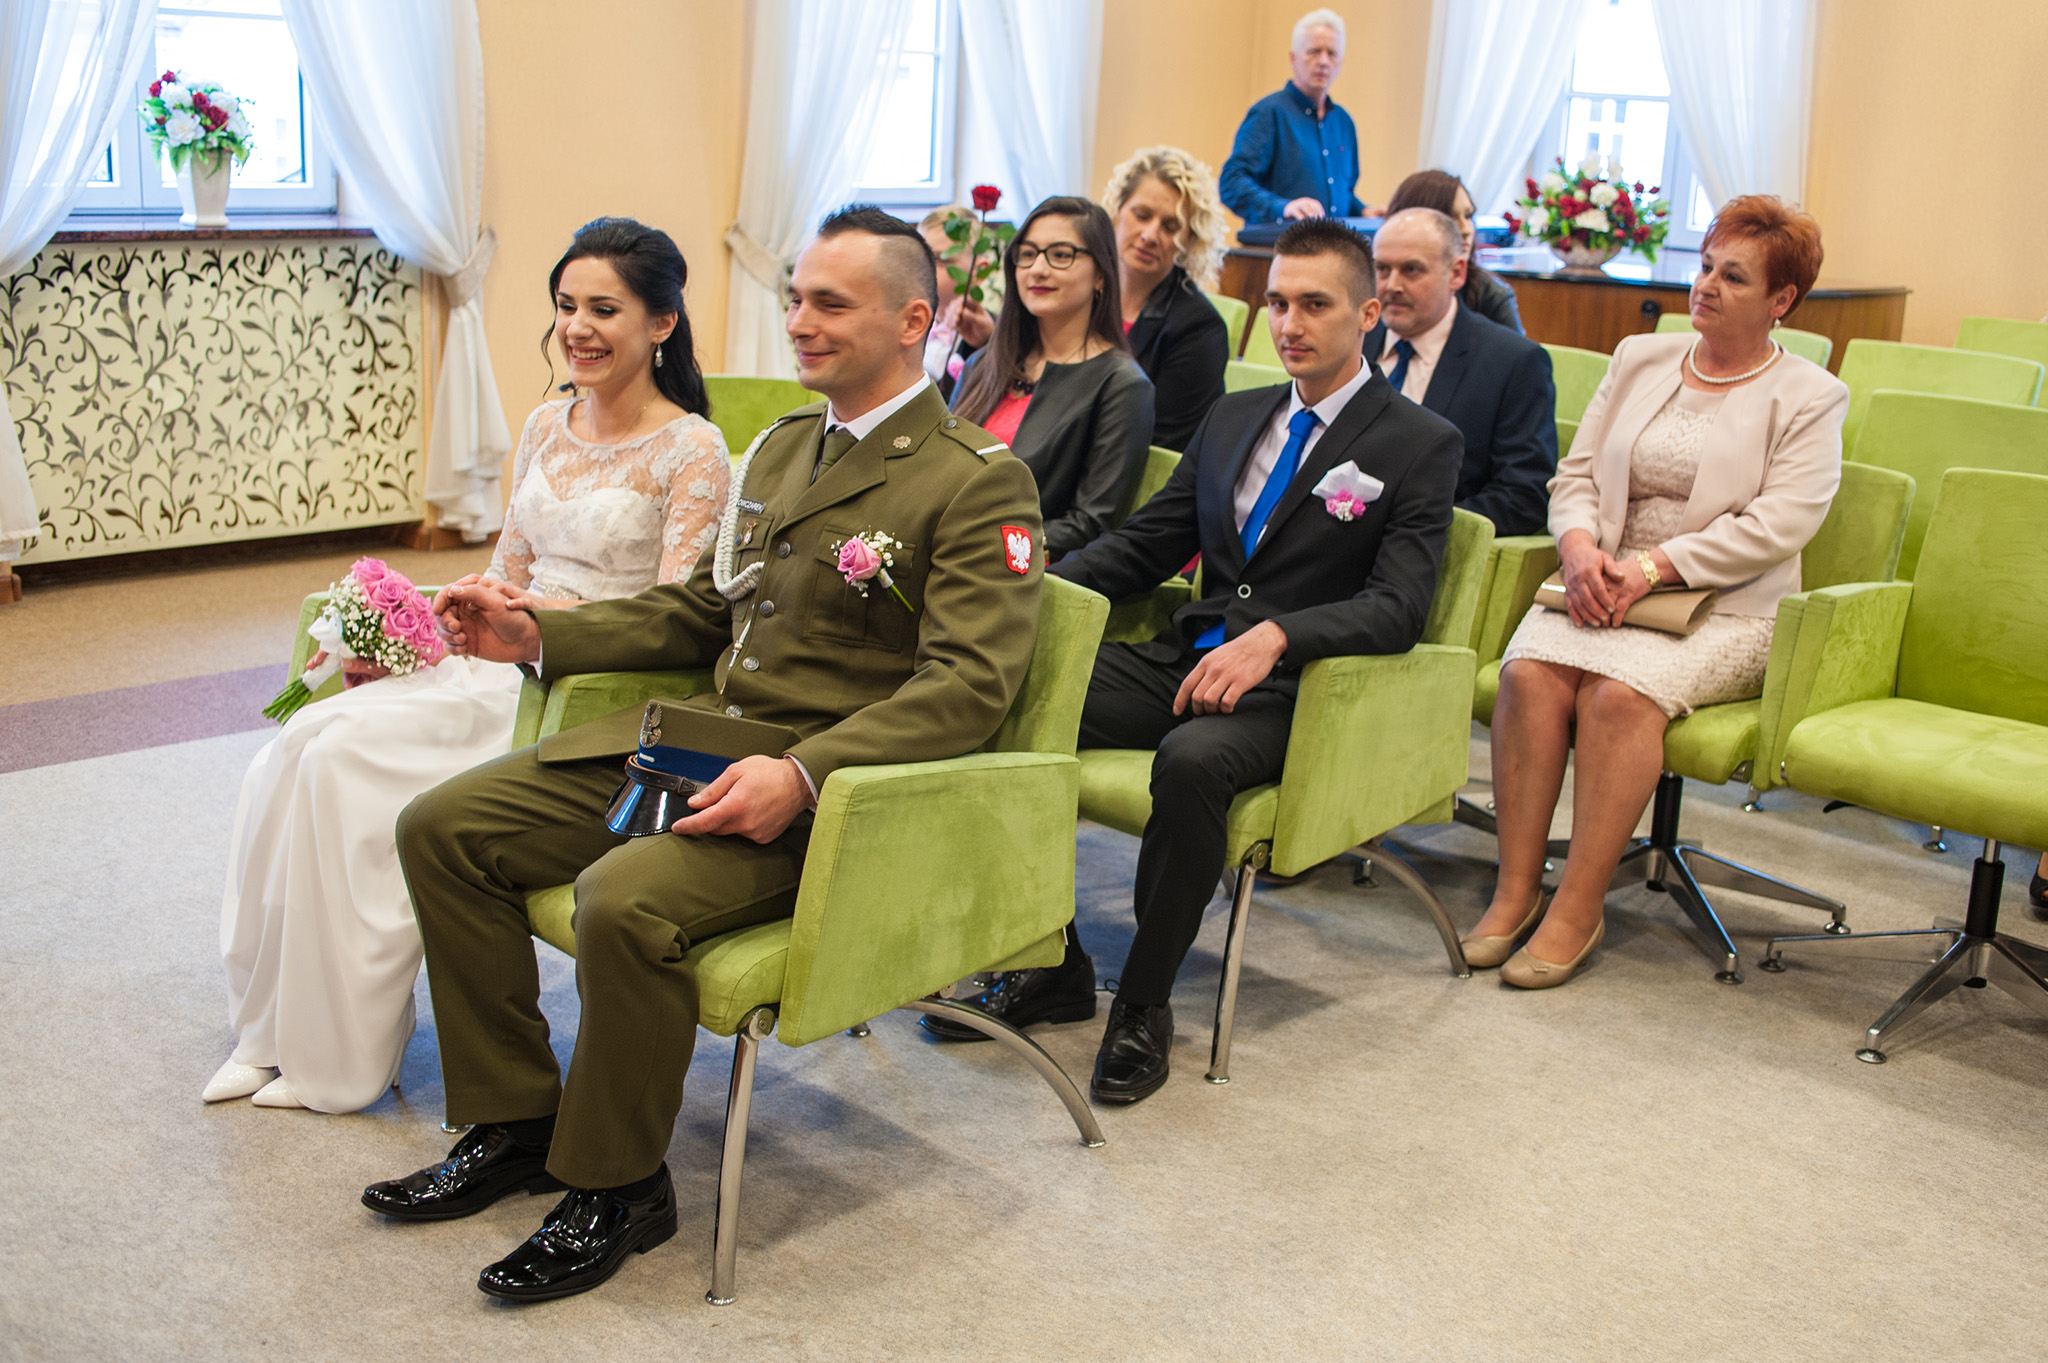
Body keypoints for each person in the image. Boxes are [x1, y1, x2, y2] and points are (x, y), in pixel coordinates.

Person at [361, 205, 1043, 1303]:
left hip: (830, 788)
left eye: (830, 303)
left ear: (914, 320)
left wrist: (805, 774)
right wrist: (540, 634)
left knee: (622, 898)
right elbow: (701, 612)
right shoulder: (783, 445)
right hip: (705, 738)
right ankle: (516, 1118)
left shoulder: (974, 479)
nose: (799, 321)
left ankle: (618, 1183)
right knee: (443, 828)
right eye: (796, 298)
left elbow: (967, 686)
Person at [921, 219, 1461, 1105]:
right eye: (1277, 302)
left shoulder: (1418, 441)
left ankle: (1143, 1002)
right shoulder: (1237, 413)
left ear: (1368, 314)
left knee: (1193, 760)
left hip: (1295, 687)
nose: (1289, 323)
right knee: (1002, 694)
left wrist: (1278, 636)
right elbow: (1147, 544)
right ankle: (1052, 957)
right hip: (1185, 655)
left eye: (1315, 304)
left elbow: (1399, 605)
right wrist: (1027, 589)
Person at [206, 218, 729, 1114]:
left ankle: (338, 1054)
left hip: (581, 685)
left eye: (604, 309)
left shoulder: (692, 448)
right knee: (296, 744)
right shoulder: (545, 424)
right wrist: (440, 611)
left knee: (341, 762)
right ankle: (270, 1032)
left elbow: (676, 618)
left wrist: (531, 624)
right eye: (566, 305)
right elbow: (509, 565)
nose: (577, 328)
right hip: (498, 659)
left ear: (661, 323)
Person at [1469, 196, 1845, 990]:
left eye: (1733, 276)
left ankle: (1579, 907)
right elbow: (1575, 475)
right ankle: (1514, 889)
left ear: (1781, 299)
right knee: (1529, 676)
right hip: (1600, 581)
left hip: (1726, 604)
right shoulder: (1640, 356)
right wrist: (1578, 550)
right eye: (1706, 267)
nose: (1705, 285)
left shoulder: (1810, 394)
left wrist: (1651, 569)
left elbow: (1781, 523)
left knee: (1616, 697)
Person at [951, 196, 1155, 561]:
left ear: (1101, 274)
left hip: (1015, 569)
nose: (1038, 269)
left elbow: (1091, 523)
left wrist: (990, 550)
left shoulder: (1122, 385)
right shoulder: (984, 361)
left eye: (1061, 255)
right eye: (1027, 254)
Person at [1363, 207, 1556, 535]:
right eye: (1382, 269)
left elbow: (1523, 497)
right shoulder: (1352, 341)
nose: (1392, 285)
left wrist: (1409, 527)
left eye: (1411, 270)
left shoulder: (1513, 363)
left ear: (1456, 273)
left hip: (1430, 544)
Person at [1103, 146, 1231, 452]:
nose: (1150, 235)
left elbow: (1162, 451)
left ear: (1190, 240)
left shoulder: (1200, 329)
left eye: (1170, 227)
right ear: (1117, 210)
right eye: (1142, 215)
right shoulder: (1085, 293)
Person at [1220, 9, 1362, 224]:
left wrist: (1363, 211)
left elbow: (1342, 196)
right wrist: (1283, 208)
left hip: (1331, 242)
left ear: (1340, 62)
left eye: (1332, 54)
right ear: (1293, 58)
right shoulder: (1269, 112)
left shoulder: (1343, 122)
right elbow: (1231, 183)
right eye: (1314, 51)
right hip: (1279, 242)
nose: (1323, 61)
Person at [1385, 168, 1524, 334]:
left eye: (1468, 216)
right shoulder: (1375, 287)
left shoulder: (1490, 294)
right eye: (1450, 218)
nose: (1465, 230)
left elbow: (1517, 350)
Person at [917, 203, 995, 400]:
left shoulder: (995, 334)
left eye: (940, 260)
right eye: (919, 258)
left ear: (978, 271)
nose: (924, 268)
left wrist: (986, 342)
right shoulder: (905, 325)